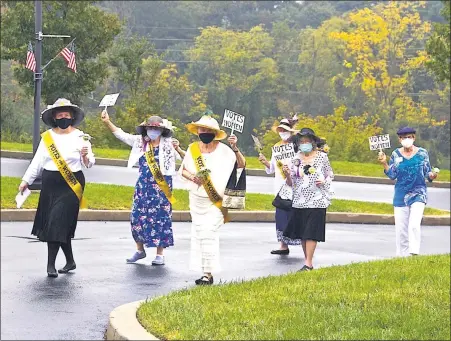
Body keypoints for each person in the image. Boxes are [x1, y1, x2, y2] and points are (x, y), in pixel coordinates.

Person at [18, 98, 95, 277]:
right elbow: (37, 162)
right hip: (51, 183)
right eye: (59, 114)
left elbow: (90, 163)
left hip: (72, 184)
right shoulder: (47, 137)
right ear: (54, 117)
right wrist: (26, 180)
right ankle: (70, 261)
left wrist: (85, 156)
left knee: (56, 221)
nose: (63, 117)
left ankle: (50, 266)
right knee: (59, 224)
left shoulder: (81, 137)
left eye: (66, 114)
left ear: (72, 116)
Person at [101, 110, 183, 265]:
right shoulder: (140, 142)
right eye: (150, 128)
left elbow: (186, 158)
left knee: (160, 218)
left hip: (162, 187)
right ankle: (140, 250)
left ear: (162, 130)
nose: (153, 131)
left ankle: (160, 254)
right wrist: (107, 122)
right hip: (143, 186)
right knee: (137, 217)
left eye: (156, 129)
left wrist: (178, 149)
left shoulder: (168, 144)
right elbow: (121, 134)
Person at [179, 112, 246, 285]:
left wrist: (235, 148)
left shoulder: (225, 150)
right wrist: (193, 177)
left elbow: (241, 165)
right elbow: (183, 169)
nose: (204, 132)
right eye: (202, 129)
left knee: (209, 233)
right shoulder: (192, 149)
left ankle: (208, 274)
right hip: (196, 199)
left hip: (215, 201)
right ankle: (204, 272)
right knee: (199, 235)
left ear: (215, 132)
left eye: (208, 130)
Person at [378, 127, 438, 257]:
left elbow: (427, 172)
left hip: (418, 193)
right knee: (401, 229)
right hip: (401, 194)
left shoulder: (422, 153)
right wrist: (384, 163)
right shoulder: (395, 154)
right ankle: (401, 256)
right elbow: (392, 174)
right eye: (403, 137)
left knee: (414, 224)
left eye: (409, 137)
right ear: (399, 139)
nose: (406, 139)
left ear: (414, 138)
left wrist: (432, 176)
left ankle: (414, 252)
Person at [282, 128, 334, 271]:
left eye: (307, 141)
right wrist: (286, 174)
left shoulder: (322, 157)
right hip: (299, 200)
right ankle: (307, 261)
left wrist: (323, 180)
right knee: (303, 233)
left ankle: (308, 262)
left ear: (313, 142)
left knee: (311, 231)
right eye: (302, 141)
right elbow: (290, 183)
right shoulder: (295, 159)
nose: (304, 144)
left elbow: (330, 174)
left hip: (317, 200)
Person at [258, 117, 301, 255]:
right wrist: (265, 162)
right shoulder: (276, 147)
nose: (282, 132)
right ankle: (283, 245)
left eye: (285, 130)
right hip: (280, 185)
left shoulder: (297, 145)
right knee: (281, 214)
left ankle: (301, 241)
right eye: (281, 130)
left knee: (295, 213)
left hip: (295, 183)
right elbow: (272, 168)